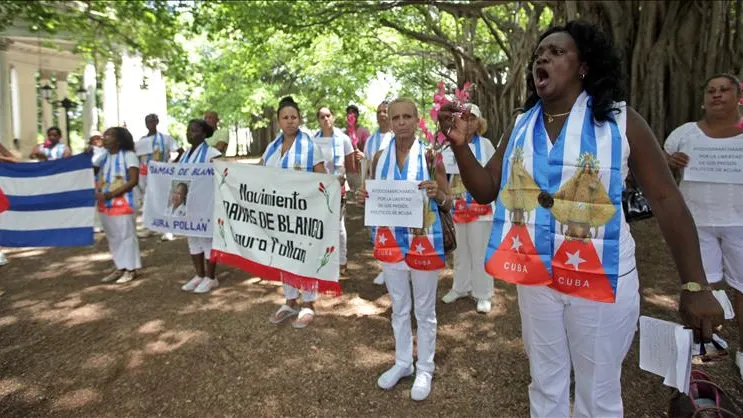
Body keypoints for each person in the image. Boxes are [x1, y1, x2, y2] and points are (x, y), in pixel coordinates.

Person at [445, 20, 725, 417]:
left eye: (556, 52)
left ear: (584, 67)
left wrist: (694, 283)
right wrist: (459, 147)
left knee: (599, 392)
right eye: (539, 54)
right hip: (537, 277)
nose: (542, 57)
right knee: (545, 382)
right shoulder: (521, 123)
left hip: (602, 278)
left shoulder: (621, 121)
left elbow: (666, 199)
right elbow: (487, 188)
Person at [361, 98, 451, 401]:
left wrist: (437, 192)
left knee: (425, 311)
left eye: (407, 116)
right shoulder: (379, 157)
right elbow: (375, 194)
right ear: (388, 119)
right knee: (399, 308)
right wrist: (366, 198)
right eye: (395, 116)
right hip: (391, 242)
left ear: (416, 120)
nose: (400, 122)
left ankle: (425, 366)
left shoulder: (430, 156)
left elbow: (448, 200)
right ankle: (403, 362)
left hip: (423, 241)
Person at [664, 73, 743, 378]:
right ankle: (703, 346)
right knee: (698, 286)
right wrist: (670, 163)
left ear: (738, 97)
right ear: (702, 99)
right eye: (711, 90)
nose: (717, 95)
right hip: (696, 223)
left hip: (740, 222)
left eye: (724, 90)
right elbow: (662, 172)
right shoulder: (684, 134)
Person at [263, 96, 326, 328]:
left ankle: (308, 303)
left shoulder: (310, 146)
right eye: (285, 118)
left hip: (304, 212)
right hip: (277, 213)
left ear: (299, 119)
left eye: (294, 117)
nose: (290, 121)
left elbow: (322, 177)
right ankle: (290, 299)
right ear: (278, 121)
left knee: (305, 256)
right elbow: (260, 174)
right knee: (284, 256)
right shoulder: (272, 147)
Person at [440, 104, 496, 313]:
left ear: (479, 122)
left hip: (480, 208)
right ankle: (460, 287)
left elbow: (492, 174)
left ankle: (483, 293)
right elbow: (442, 174)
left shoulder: (486, 145)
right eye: (464, 117)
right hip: (456, 207)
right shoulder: (449, 145)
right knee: (460, 250)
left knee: (479, 252)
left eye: (473, 118)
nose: (469, 121)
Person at [179, 119, 223, 294]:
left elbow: (221, 175)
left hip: (206, 203)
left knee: (207, 239)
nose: (190, 134)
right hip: (188, 204)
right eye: (188, 131)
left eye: (195, 131)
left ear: (204, 134)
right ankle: (199, 274)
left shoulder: (212, 153)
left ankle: (211, 277)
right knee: (193, 239)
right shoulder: (185, 154)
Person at [94, 127, 141, 284]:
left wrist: (110, 194)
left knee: (126, 235)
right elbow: (91, 170)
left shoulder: (129, 156)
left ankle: (130, 268)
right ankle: (119, 266)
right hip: (106, 203)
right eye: (104, 135)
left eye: (109, 135)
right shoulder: (103, 157)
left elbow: (133, 180)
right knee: (113, 236)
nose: (105, 138)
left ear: (119, 140)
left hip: (123, 202)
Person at [315, 106, 355, 276]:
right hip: (319, 189)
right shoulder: (312, 140)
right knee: (321, 225)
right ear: (318, 120)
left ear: (333, 117)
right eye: (322, 117)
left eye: (328, 115)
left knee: (338, 225)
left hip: (338, 187)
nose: (326, 119)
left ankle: (341, 261)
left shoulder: (344, 139)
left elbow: (351, 164)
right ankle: (324, 259)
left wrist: (342, 176)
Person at [135, 114, 179, 240]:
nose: (150, 124)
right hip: (145, 175)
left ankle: (167, 230)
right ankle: (150, 227)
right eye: (147, 121)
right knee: (148, 201)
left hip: (161, 175)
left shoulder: (166, 139)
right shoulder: (142, 140)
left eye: (152, 121)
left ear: (157, 122)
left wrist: (172, 165)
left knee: (164, 200)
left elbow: (180, 151)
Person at [363, 101, 394, 286]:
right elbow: (367, 166)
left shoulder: (397, 136)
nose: (382, 114)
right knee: (379, 232)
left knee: (396, 230)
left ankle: (400, 268)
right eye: (379, 111)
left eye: (385, 111)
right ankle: (385, 268)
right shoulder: (370, 140)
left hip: (396, 193)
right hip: (376, 193)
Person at [87, 132, 105, 233]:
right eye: (94, 139)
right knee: (95, 201)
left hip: (105, 178)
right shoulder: (90, 151)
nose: (97, 140)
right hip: (93, 178)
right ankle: (97, 224)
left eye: (99, 138)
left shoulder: (107, 150)